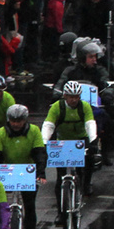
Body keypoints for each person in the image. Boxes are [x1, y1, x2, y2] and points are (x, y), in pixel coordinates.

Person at [55, 39, 114, 160]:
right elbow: (59, 84)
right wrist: (56, 94)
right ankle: (54, 150)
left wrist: (107, 94)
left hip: (94, 106)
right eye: (91, 57)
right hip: (71, 105)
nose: (94, 60)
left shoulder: (99, 71)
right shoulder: (70, 71)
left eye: (95, 57)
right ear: (82, 58)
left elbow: (107, 83)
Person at [0, 104, 46, 229]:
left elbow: (40, 153)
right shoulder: (0, 133)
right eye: (13, 121)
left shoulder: (34, 131)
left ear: (25, 120)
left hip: (28, 172)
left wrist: (41, 173)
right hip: (7, 171)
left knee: (30, 206)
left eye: (19, 121)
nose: (15, 124)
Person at [42, 80, 97, 210]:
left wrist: (93, 140)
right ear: (65, 96)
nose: (74, 100)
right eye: (71, 97)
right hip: (62, 142)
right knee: (60, 177)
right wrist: (44, 142)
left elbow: (90, 124)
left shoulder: (84, 107)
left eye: (77, 97)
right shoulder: (57, 107)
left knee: (88, 161)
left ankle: (85, 184)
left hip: (81, 140)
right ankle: (61, 212)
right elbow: (48, 125)